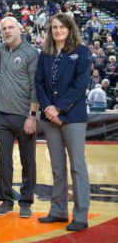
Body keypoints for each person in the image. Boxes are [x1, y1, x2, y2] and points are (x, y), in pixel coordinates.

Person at [35, 13, 91, 231]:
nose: (58, 30)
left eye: (62, 27)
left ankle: (80, 215)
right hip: (50, 117)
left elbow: (81, 85)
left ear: (70, 29)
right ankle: (58, 211)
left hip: (73, 116)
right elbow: (39, 82)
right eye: (54, 27)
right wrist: (48, 108)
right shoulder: (46, 53)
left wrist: (58, 107)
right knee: (58, 167)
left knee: (77, 166)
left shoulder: (82, 52)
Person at [0, 17, 40, 218]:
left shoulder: (31, 53)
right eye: (3, 28)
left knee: (27, 160)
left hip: (24, 116)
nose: (7, 31)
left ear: (20, 29)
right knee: (4, 160)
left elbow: (35, 87)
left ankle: (26, 201)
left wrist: (32, 115)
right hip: (2, 115)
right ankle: (6, 200)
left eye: (11, 27)